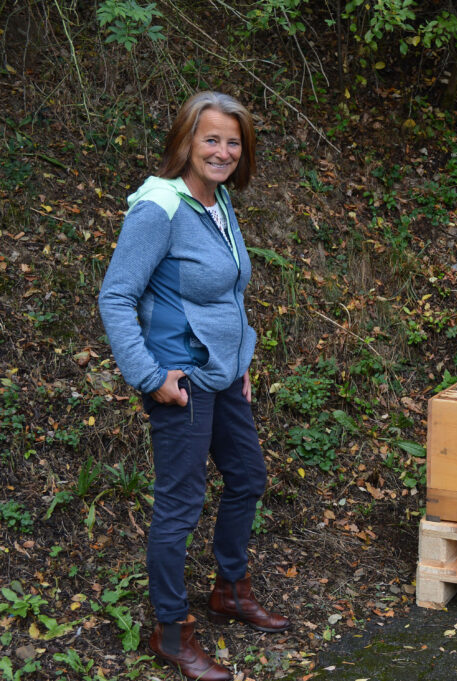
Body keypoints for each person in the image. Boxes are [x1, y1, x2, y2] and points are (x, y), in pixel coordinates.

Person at [99, 91, 289, 680]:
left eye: (233, 142)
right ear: (186, 140)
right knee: (180, 508)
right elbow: (116, 295)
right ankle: (170, 629)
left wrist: (241, 360)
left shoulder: (217, 200)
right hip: (180, 380)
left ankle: (231, 589)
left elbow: (226, 294)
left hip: (224, 376)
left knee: (249, 478)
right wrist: (150, 377)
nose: (223, 151)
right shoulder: (160, 207)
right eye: (212, 139)